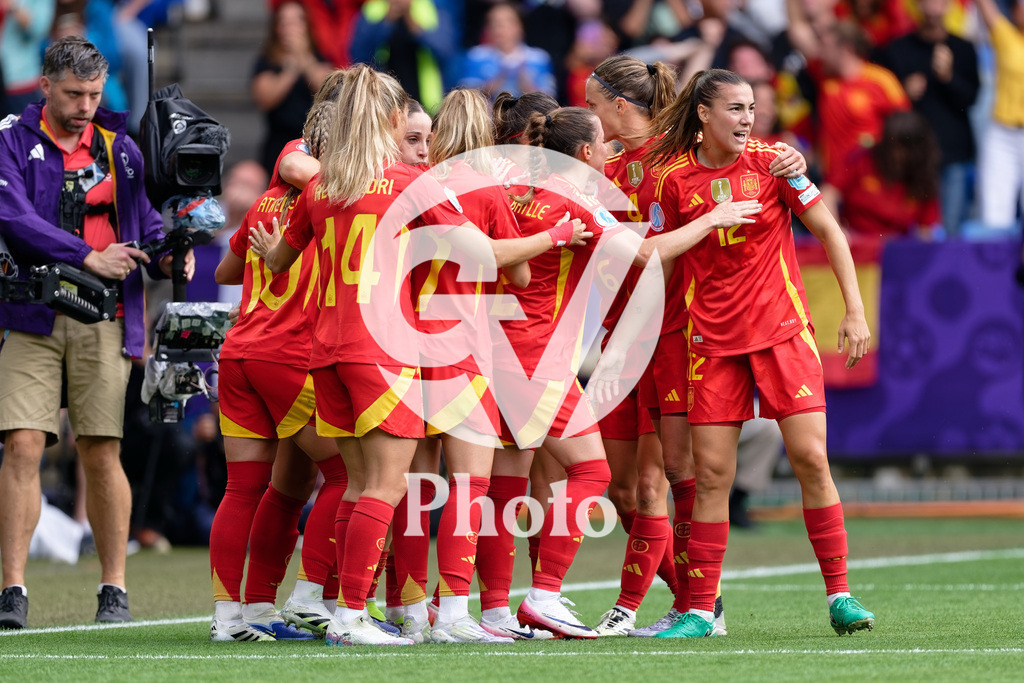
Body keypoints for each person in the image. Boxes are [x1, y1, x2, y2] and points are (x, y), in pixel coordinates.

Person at [253, 64, 585, 647]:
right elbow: (486, 255)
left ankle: (345, 607)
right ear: (388, 120)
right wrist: (557, 237)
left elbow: (279, 261)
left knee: (360, 487)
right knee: (394, 486)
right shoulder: (411, 182)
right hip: (388, 348)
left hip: (326, 350)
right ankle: (364, 616)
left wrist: (265, 241)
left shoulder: (325, 184)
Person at [643, 68, 875, 638]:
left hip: (781, 332)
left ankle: (841, 596)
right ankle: (700, 611)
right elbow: (656, 255)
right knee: (712, 476)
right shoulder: (674, 182)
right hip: (712, 341)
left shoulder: (776, 163)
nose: (748, 119)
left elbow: (830, 231)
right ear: (703, 114)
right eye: (735, 109)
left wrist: (854, 310)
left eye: (751, 108)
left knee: (811, 460)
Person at [583, 53, 805, 638]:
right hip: (622, 338)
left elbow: (745, 168)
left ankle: (675, 607)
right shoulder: (602, 165)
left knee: (670, 479)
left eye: (592, 104)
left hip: (679, 334)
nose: (589, 114)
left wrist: (793, 161)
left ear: (618, 105)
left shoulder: (670, 161)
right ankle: (696, 602)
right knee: (624, 490)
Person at [0, 36, 192, 630]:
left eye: (95, 93)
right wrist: (88, 254)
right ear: (45, 86)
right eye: (75, 93)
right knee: (22, 445)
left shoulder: (122, 149)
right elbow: (11, 217)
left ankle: (114, 587)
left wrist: (169, 259)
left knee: (101, 449)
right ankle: (11, 590)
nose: (86, 105)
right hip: (29, 315)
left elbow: (146, 228)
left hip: (105, 319)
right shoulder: (10, 137)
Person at [207, 100, 342, 643]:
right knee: (349, 476)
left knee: (244, 489)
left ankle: (232, 619)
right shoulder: (333, 202)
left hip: (239, 352)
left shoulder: (265, 201)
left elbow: (225, 269)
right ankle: (310, 598)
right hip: (288, 356)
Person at [881, 0, 979, 237]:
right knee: (910, 230)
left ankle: (951, 274)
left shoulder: (963, 48)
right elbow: (886, 101)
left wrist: (948, 77)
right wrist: (904, 92)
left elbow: (971, 98)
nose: (934, 8)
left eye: (940, 2)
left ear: (949, 7)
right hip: (911, 155)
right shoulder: (898, 49)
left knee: (951, 229)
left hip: (952, 152)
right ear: (917, 6)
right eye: (927, 2)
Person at [822, 110, 941, 238]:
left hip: (895, 250)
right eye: (894, 146)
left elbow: (927, 232)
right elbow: (828, 193)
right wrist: (837, 234)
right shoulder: (861, 159)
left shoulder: (923, 177)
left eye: (905, 148)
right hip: (856, 244)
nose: (898, 155)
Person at [251, 1, 333, 176]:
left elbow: (329, 89)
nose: (292, 29)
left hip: (315, 144)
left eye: (297, 21)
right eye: (285, 22)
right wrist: (291, 69)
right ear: (277, 28)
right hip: (279, 142)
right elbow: (265, 98)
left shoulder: (320, 57)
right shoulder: (267, 62)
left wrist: (303, 58)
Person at [974, 0, 1024, 233]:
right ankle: (994, 267)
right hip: (1003, 133)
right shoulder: (1006, 36)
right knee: (995, 209)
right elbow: (985, 6)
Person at [458, 2, 556, 100]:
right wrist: (495, 82)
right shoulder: (476, 56)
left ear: (520, 26)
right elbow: (466, 97)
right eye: (493, 22)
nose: (499, 29)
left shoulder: (539, 58)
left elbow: (550, 99)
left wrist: (526, 84)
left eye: (507, 22)